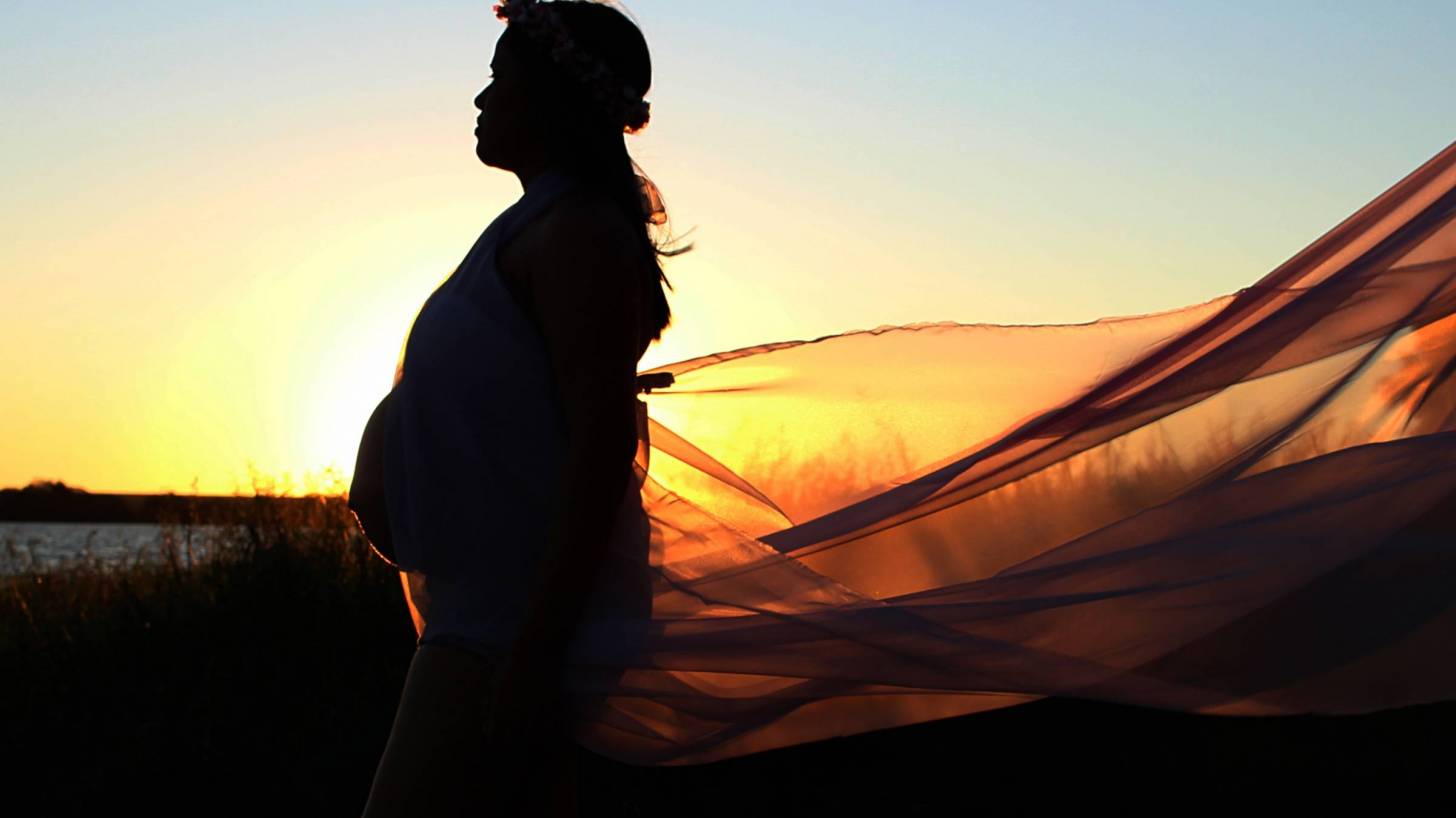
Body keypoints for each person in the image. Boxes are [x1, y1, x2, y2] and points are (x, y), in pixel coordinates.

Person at [357, 1, 687, 814]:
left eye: (501, 78)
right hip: (481, 625)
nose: (481, 98)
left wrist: (536, 653)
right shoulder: (533, 225)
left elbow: (601, 444)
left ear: (552, 98)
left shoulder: (577, 231)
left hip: (505, 633)